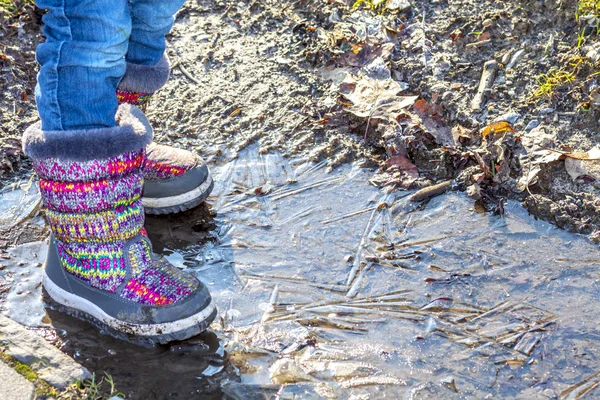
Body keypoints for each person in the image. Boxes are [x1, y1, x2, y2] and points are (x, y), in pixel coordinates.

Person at [22, 0, 216, 344]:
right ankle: (87, 253)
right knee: (94, 26)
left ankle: (118, 165)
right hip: (95, 257)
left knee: (150, 12)